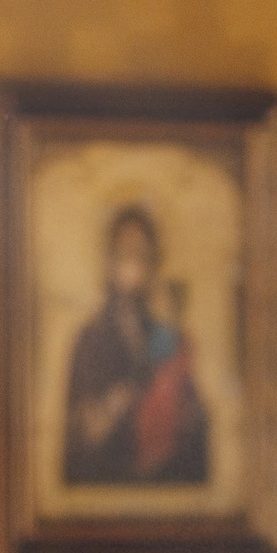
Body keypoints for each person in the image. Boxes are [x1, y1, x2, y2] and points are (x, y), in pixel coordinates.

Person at [61, 201, 211, 488]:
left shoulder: (167, 337)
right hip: (108, 484)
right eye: (126, 254)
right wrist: (123, 398)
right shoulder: (90, 339)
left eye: (144, 255)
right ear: (109, 261)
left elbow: (192, 425)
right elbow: (80, 438)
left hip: (165, 483)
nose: (135, 266)